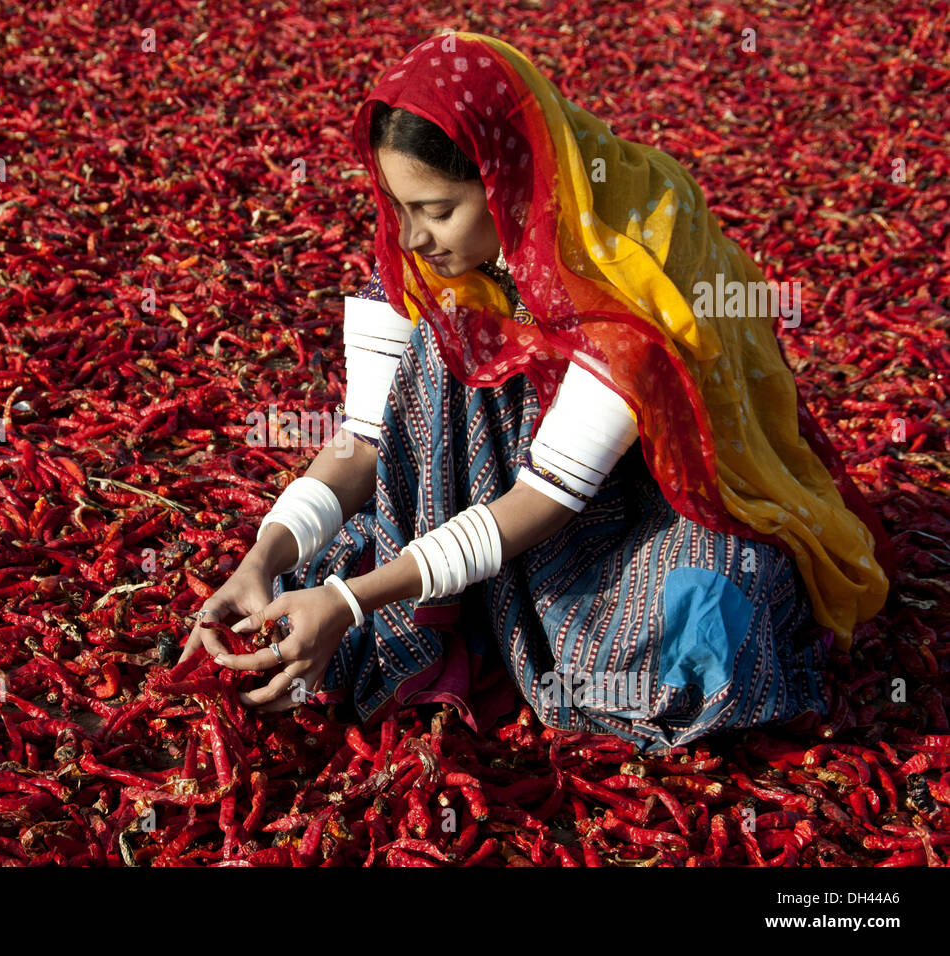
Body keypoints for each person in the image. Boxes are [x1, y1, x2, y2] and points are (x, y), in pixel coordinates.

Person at [180, 32, 895, 752]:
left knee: (701, 628)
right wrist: (264, 555)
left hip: (624, 510)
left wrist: (350, 598)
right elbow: (362, 443)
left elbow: (546, 496)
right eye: (399, 206)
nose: (413, 237)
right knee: (437, 336)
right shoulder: (424, 272)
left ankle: (475, 616)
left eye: (436, 209)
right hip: (474, 496)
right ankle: (456, 613)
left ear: (507, 180)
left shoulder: (627, 271)